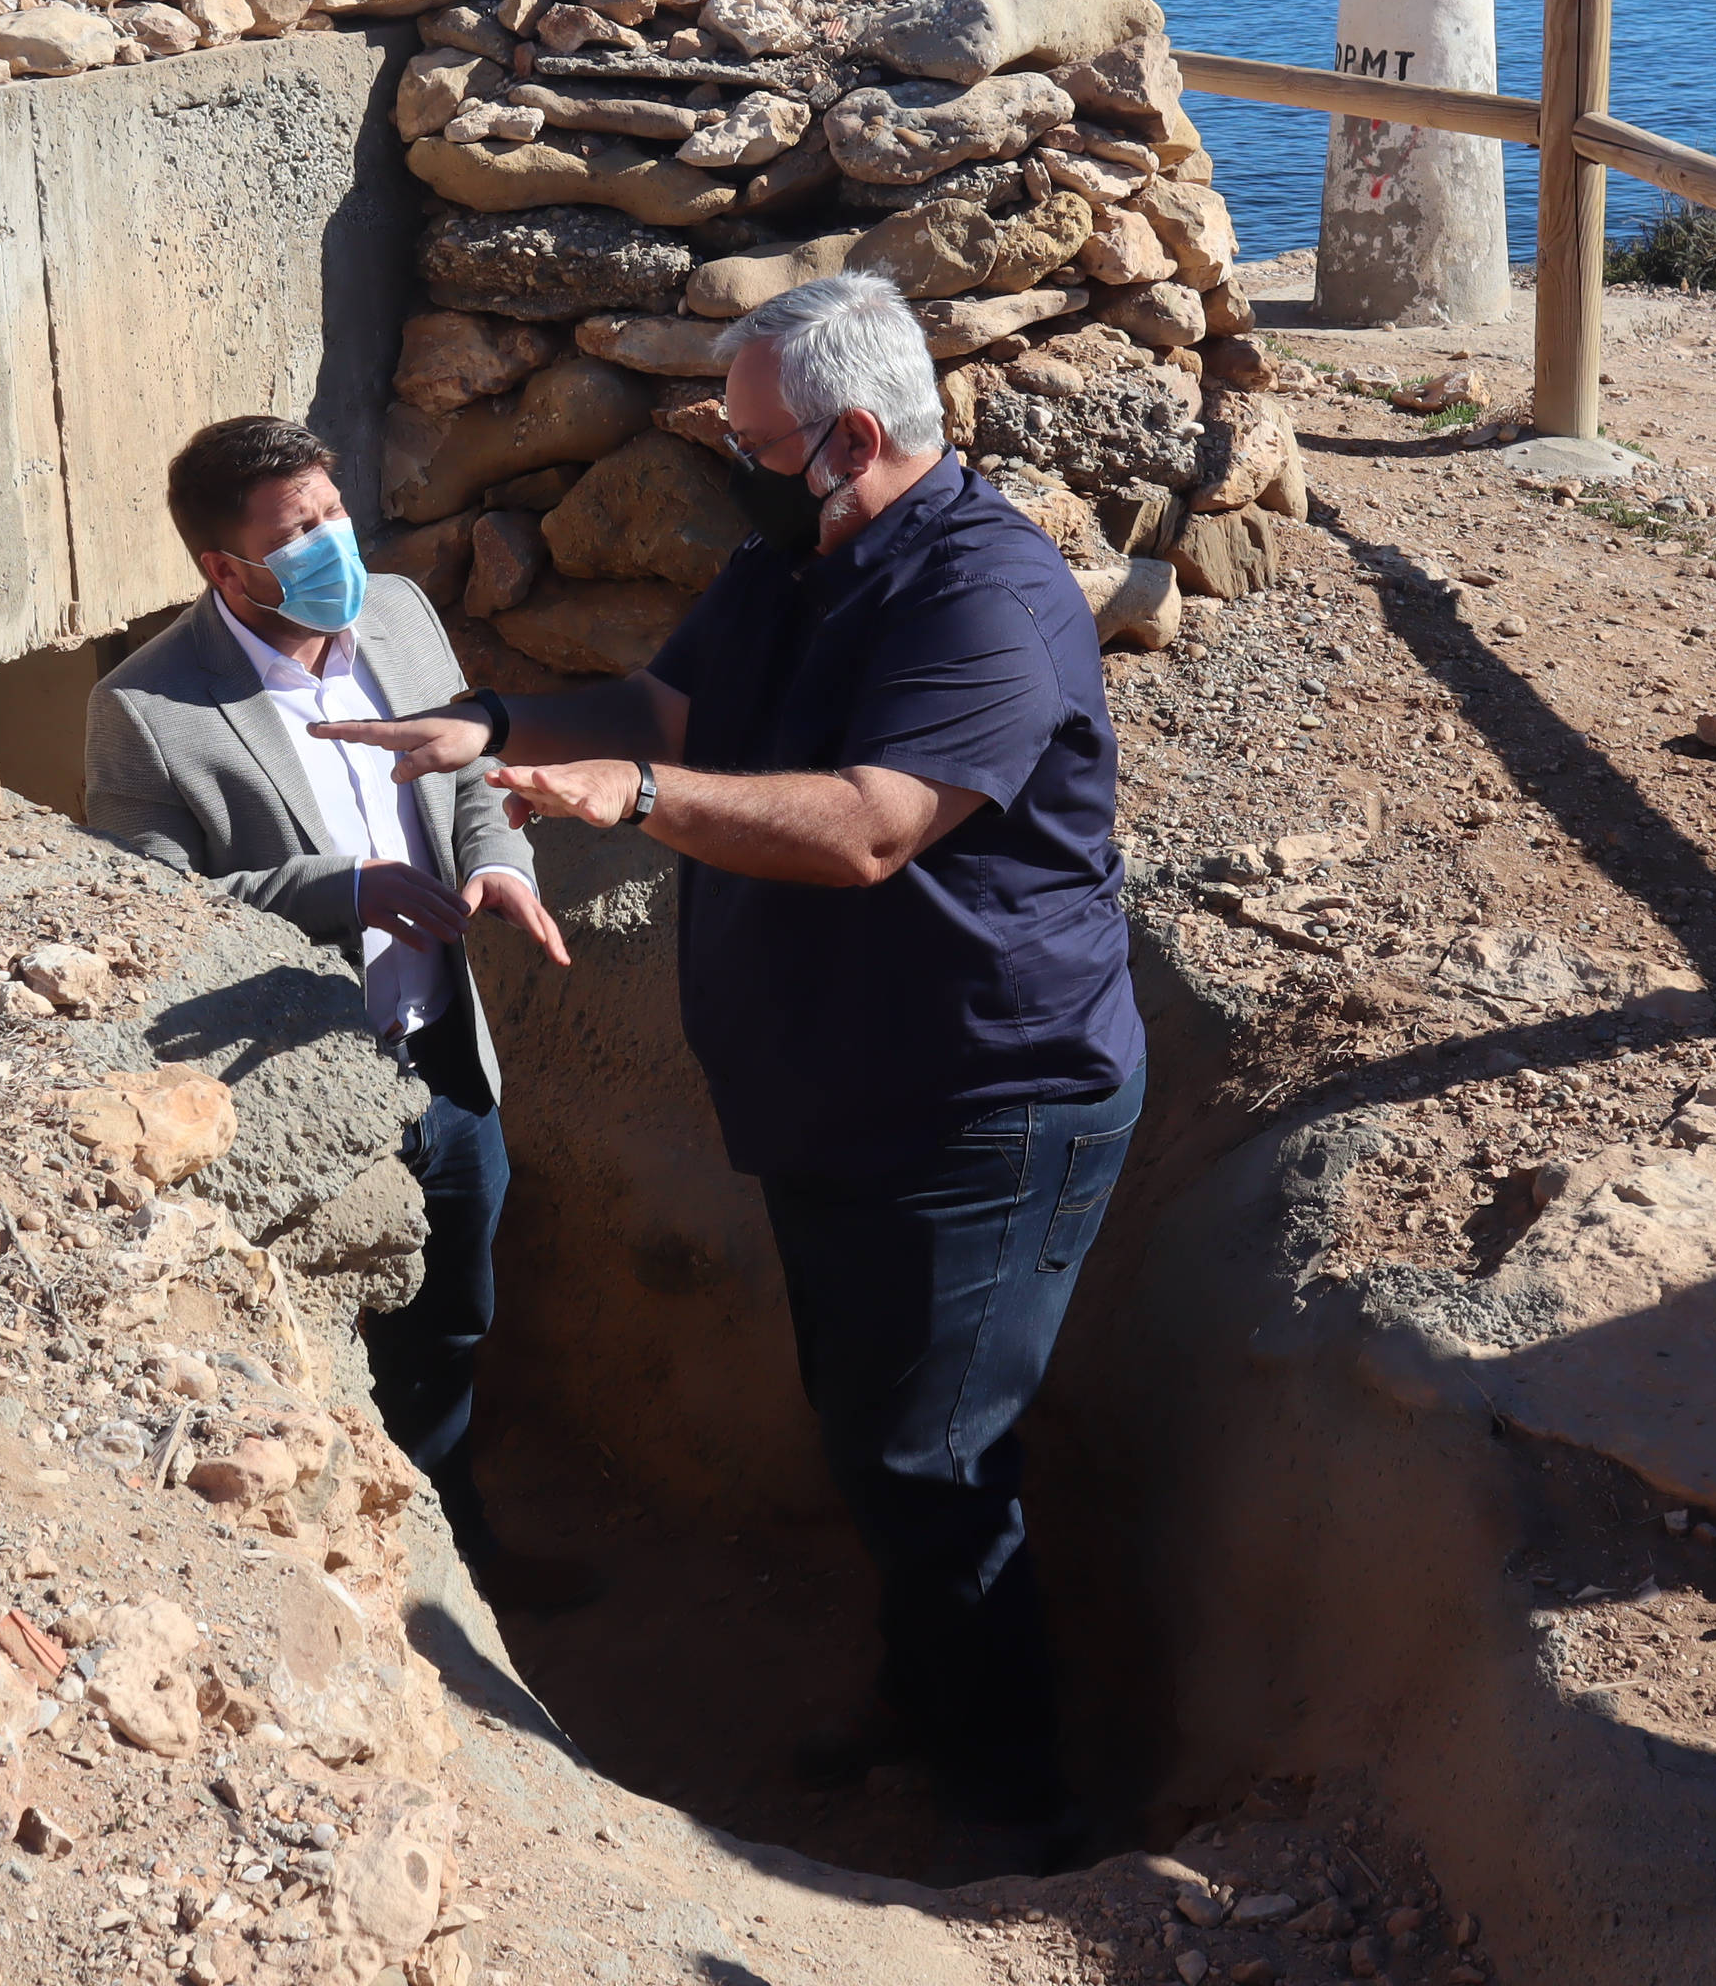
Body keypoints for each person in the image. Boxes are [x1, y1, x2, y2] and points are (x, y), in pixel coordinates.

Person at [314, 269, 1142, 1873]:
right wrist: (496, 724)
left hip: (983, 1106)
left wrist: (632, 797)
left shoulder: (985, 597)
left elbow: (871, 828)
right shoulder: (792, 559)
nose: (728, 464)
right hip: (838, 1099)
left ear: (850, 439)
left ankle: (1015, 1810)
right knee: (873, 1425)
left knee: (931, 1454)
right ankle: (922, 1698)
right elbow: (662, 702)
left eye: (751, 443)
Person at [83, 413, 592, 1611]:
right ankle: (339, 1598)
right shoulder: (148, 709)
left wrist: (498, 861)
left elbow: (470, 775)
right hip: (302, 1100)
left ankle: (458, 1571)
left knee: (453, 1321)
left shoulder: (400, 615)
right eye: (297, 534)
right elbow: (149, 914)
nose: (332, 545)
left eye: (333, 513)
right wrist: (341, 889)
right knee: (324, 1364)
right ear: (226, 570)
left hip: (446, 1062)